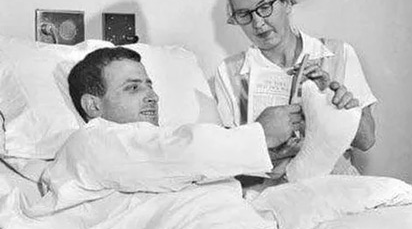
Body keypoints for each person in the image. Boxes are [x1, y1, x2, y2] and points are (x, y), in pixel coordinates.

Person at [214, 0, 377, 178]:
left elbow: (366, 141)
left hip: (334, 186)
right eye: (244, 14)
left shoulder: (338, 54)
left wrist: (337, 103)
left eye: (264, 7)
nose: (258, 23)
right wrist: (271, 147)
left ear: (287, 2)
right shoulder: (230, 71)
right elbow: (228, 164)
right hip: (268, 193)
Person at [68, 45, 301, 154]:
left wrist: (270, 157)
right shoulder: (92, 145)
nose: (152, 96)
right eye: (132, 88)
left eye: (149, 85)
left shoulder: (165, 140)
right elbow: (182, 156)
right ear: (93, 105)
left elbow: (193, 171)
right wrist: (260, 134)